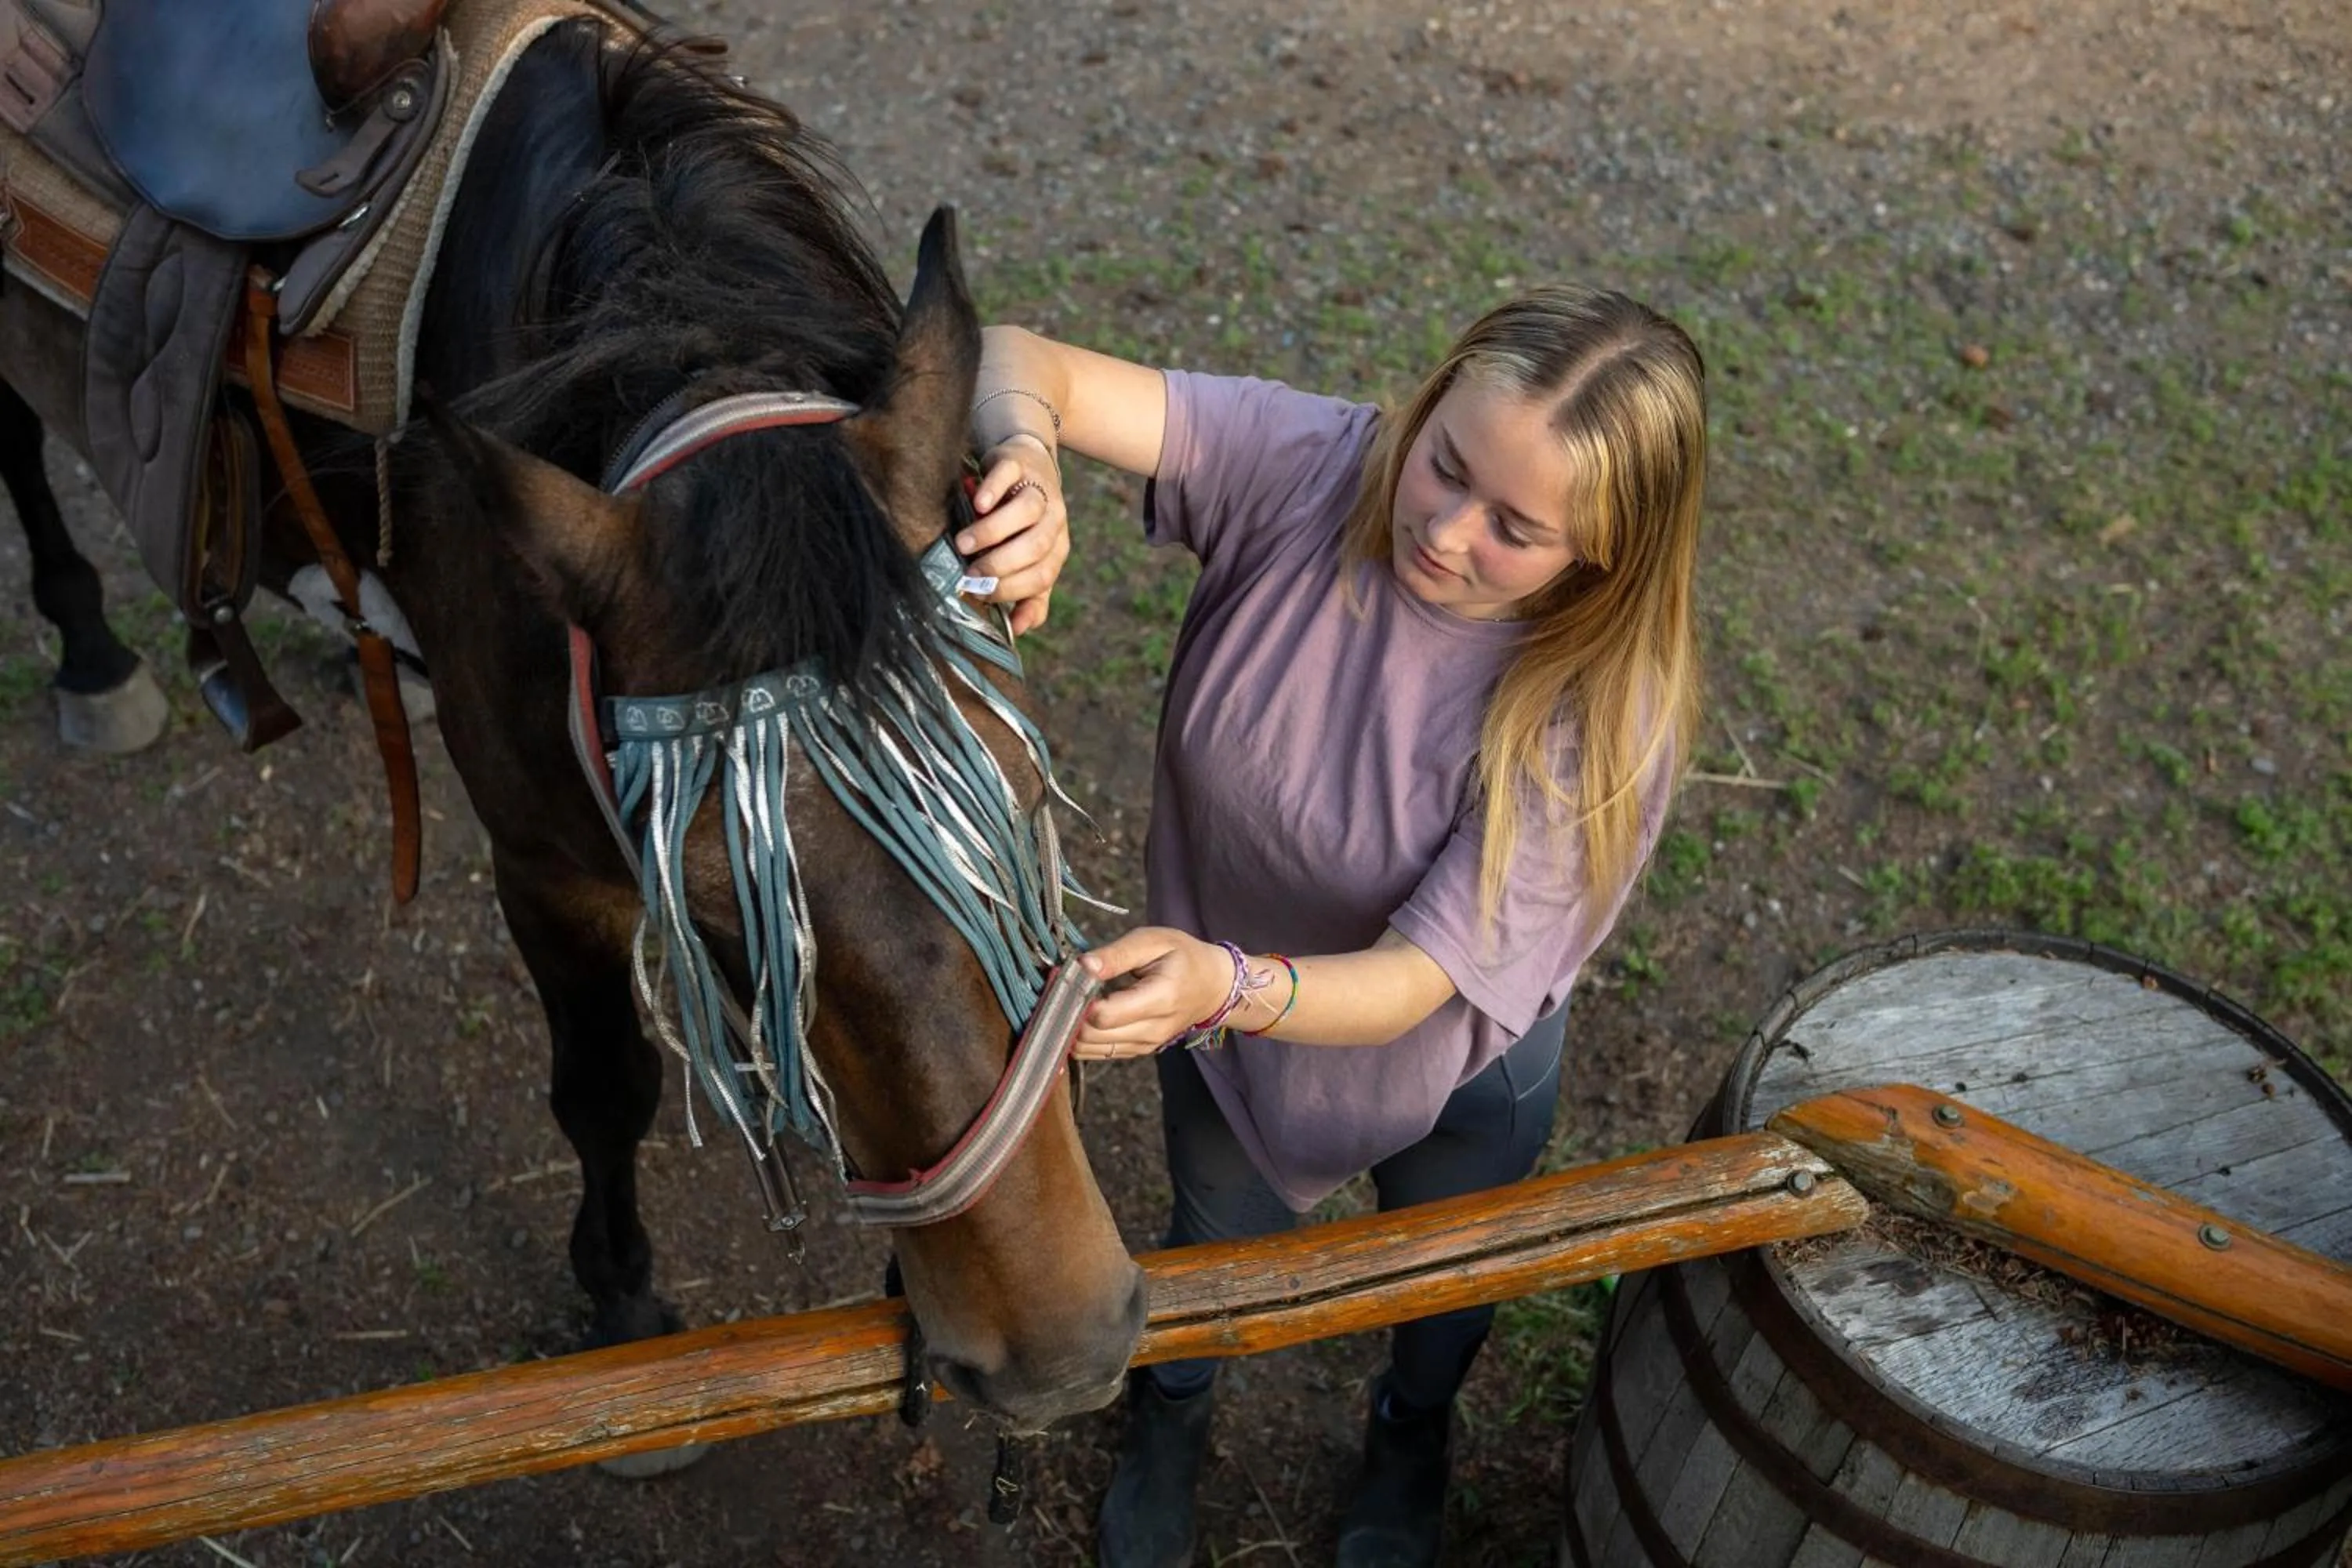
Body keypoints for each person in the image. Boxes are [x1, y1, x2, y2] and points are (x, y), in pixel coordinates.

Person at [956, 287, 1706, 1568]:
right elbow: (1016, 358)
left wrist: (1223, 984)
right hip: (1235, 1040)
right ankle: (1174, 1411)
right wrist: (1024, 452)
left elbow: (1417, 981)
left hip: (1456, 1063)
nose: (1446, 531)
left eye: (1517, 531)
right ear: (1425, 407)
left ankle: (1412, 1429)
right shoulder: (1321, 467)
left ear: (1608, 557)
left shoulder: (1600, 711)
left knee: (1442, 1281)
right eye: (1446, 463)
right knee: (1209, 1246)